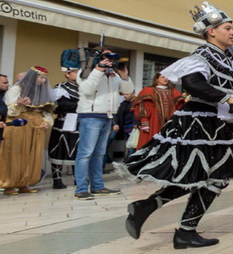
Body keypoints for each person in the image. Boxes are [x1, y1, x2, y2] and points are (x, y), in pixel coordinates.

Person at [124, 2, 233, 248]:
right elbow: (193, 84)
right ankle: (161, 216)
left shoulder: (231, 53)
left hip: (219, 125)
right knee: (194, 176)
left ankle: (177, 225)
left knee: (217, 179)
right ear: (211, 31)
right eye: (228, 28)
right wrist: (226, 97)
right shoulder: (201, 55)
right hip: (197, 122)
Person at [74, 50, 133, 199]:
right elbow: (86, 90)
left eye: (111, 58)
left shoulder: (113, 75)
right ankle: (81, 189)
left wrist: (124, 75)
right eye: (106, 57)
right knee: (85, 153)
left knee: (99, 154)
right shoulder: (86, 72)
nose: (110, 61)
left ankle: (97, 186)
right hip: (90, 116)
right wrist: (98, 70)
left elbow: (128, 91)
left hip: (107, 116)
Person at [0, 68, 55, 195]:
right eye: (40, 77)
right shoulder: (17, 89)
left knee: (32, 154)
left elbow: (46, 111)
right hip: (19, 123)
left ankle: (25, 183)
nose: (42, 80)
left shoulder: (42, 92)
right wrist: (18, 106)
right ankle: (10, 184)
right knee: (15, 154)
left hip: (36, 126)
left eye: (44, 78)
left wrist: (47, 122)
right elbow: (8, 109)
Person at [48, 51, 81, 190]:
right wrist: (82, 105)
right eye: (74, 71)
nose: (77, 74)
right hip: (64, 122)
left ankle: (77, 179)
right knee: (59, 150)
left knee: (78, 151)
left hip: (80, 123)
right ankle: (57, 179)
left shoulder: (84, 88)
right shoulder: (61, 87)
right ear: (67, 74)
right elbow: (63, 105)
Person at [131, 73, 183, 149]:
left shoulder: (174, 92)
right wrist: (144, 121)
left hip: (170, 122)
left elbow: (180, 107)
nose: (165, 79)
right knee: (151, 143)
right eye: (162, 77)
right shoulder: (148, 91)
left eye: (167, 77)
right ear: (156, 79)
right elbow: (144, 107)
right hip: (154, 122)